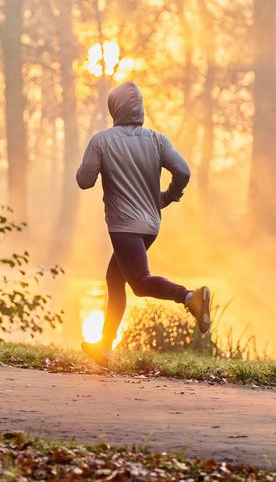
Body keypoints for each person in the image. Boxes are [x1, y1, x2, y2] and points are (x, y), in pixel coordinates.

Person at [76, 80, 210, 367]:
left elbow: (84, 181)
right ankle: (104, 347)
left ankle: (189, 297)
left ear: (114, 108)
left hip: (123, 226)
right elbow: (183, 171)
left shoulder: (102, 141)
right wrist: (168, 197)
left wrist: (99, 165)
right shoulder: (157, 140)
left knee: (139, 283)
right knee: (115, 280)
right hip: (150, 226)